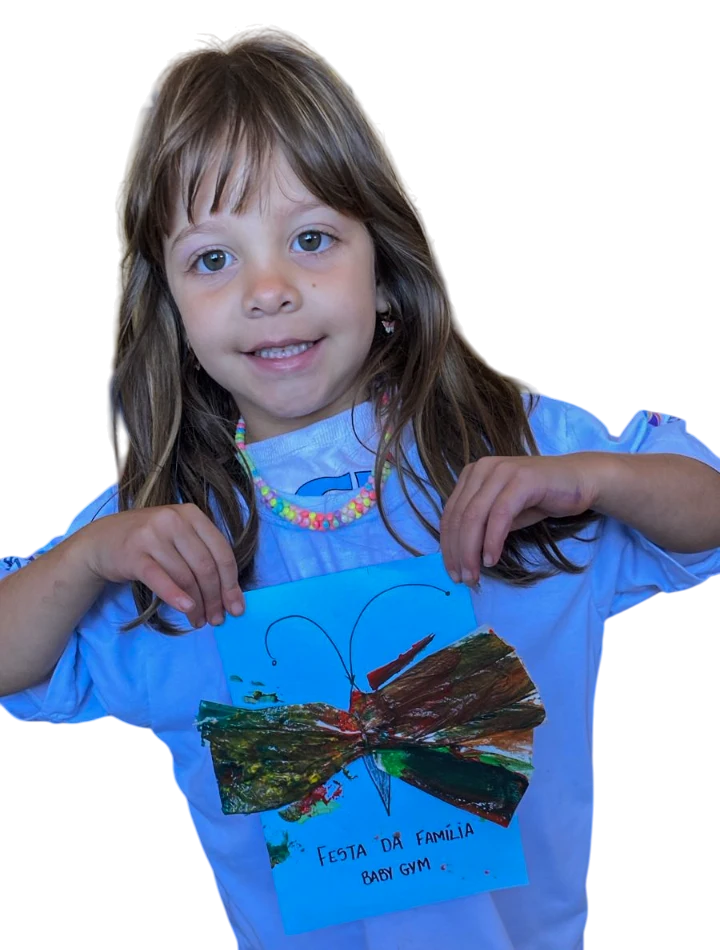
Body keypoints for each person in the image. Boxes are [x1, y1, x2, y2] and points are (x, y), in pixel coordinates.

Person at [2, 25, 720, 950]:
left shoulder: (511, 458)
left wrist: (596, 478)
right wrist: (86, 556)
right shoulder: (160, 540)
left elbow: (707, 509)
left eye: (310, 239)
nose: (269, 289)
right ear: (172, 312)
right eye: (214, 259)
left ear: (383, 270)